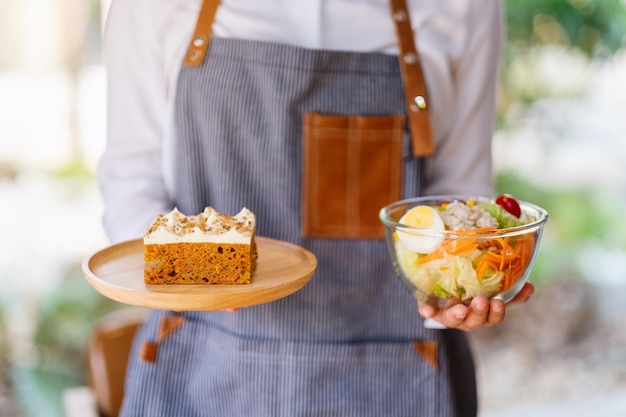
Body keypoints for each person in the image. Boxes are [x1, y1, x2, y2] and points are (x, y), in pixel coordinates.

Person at [98, 0, 534, 416]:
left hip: (397, 377)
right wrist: (199, 269)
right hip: (202, 367)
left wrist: (456, 292)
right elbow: (130, 184)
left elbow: (459, 192)